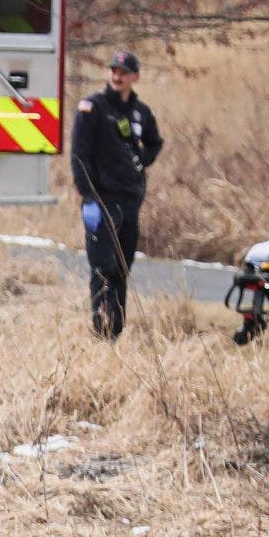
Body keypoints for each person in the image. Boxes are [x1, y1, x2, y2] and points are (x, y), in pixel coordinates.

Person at [67, 49, 163, 340]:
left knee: (122, 268)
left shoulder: (140, 112)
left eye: (123, 72)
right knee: (102, 267)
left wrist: (142, 161)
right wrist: (88, 196)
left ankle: (117, 331)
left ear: (135, 77)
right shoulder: (92, 108)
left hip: (130, 200)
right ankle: (101, 330)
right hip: (101, 200)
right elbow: (79, 155)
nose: (117, 76)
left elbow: (154, 143)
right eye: (113, 71)